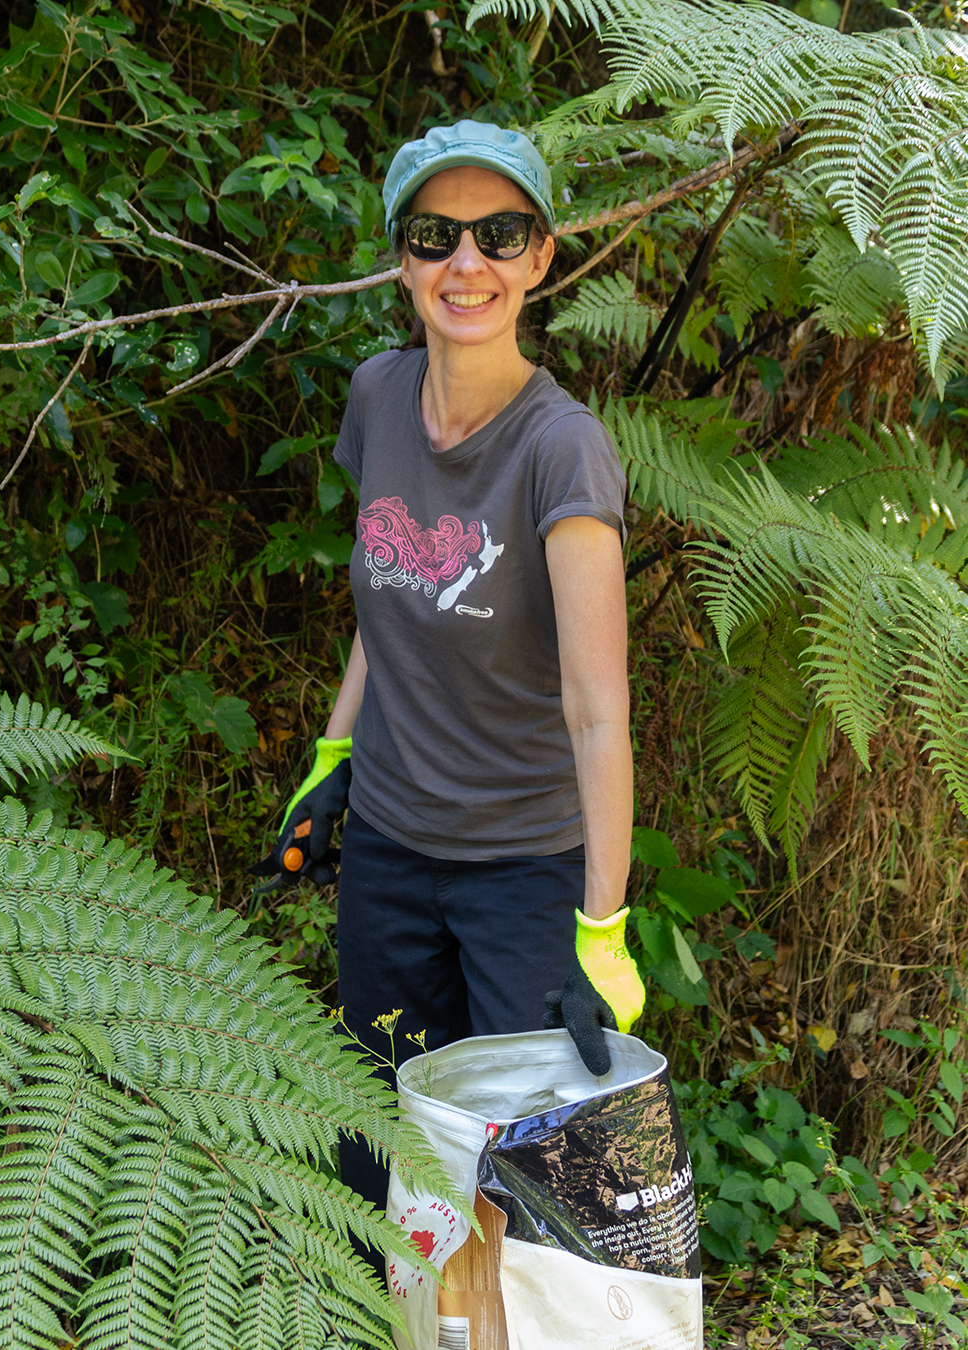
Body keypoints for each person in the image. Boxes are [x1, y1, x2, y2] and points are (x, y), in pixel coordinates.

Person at [272, 121, 645, 1214]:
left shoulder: (560, 449)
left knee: (538, 1186)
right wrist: (333, 755)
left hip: (523, 874)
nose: (466, 263)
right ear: (403, 258)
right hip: (389, 855)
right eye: (438, 236)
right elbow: (386, 596)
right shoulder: (377, 397)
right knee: (381, 1155)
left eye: (500, 233)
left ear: (540, 257)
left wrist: (602, 927)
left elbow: (598, 712)